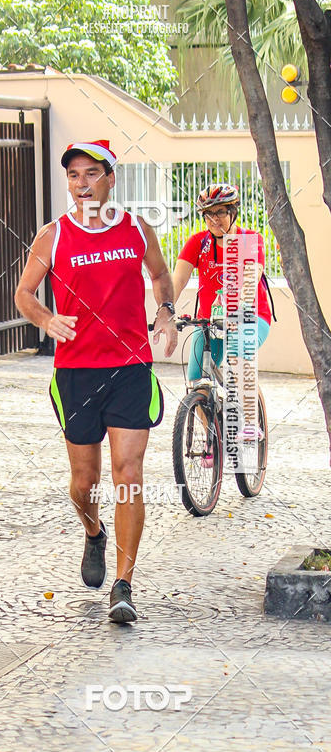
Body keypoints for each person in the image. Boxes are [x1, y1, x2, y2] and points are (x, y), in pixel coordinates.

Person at [15, 140, 177, 624]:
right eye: (73, 176)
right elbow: (23, 293)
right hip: (76, 373)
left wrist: (165, 311)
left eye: (90, 174)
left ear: (110, 178)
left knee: (129, 474)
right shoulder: (54, 236)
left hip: (131, 369)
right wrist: (46, 320)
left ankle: (124, 585)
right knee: (84, 483)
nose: (81, 184)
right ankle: (93, 531)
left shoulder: (135, 228)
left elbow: (161, 274)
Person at [172, 183, 272, 447]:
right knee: (197, 377)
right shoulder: (198, 243)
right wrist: (166, 308)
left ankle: (249, 422)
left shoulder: (250, 240)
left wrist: (237, 307)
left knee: (238, 355)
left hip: (251, 316)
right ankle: (211, 437)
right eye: (208, 214)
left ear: (233, 212)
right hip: (209, 321)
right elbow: (178, 279)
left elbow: (251, 279)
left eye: (220, 212)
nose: (214, 219)